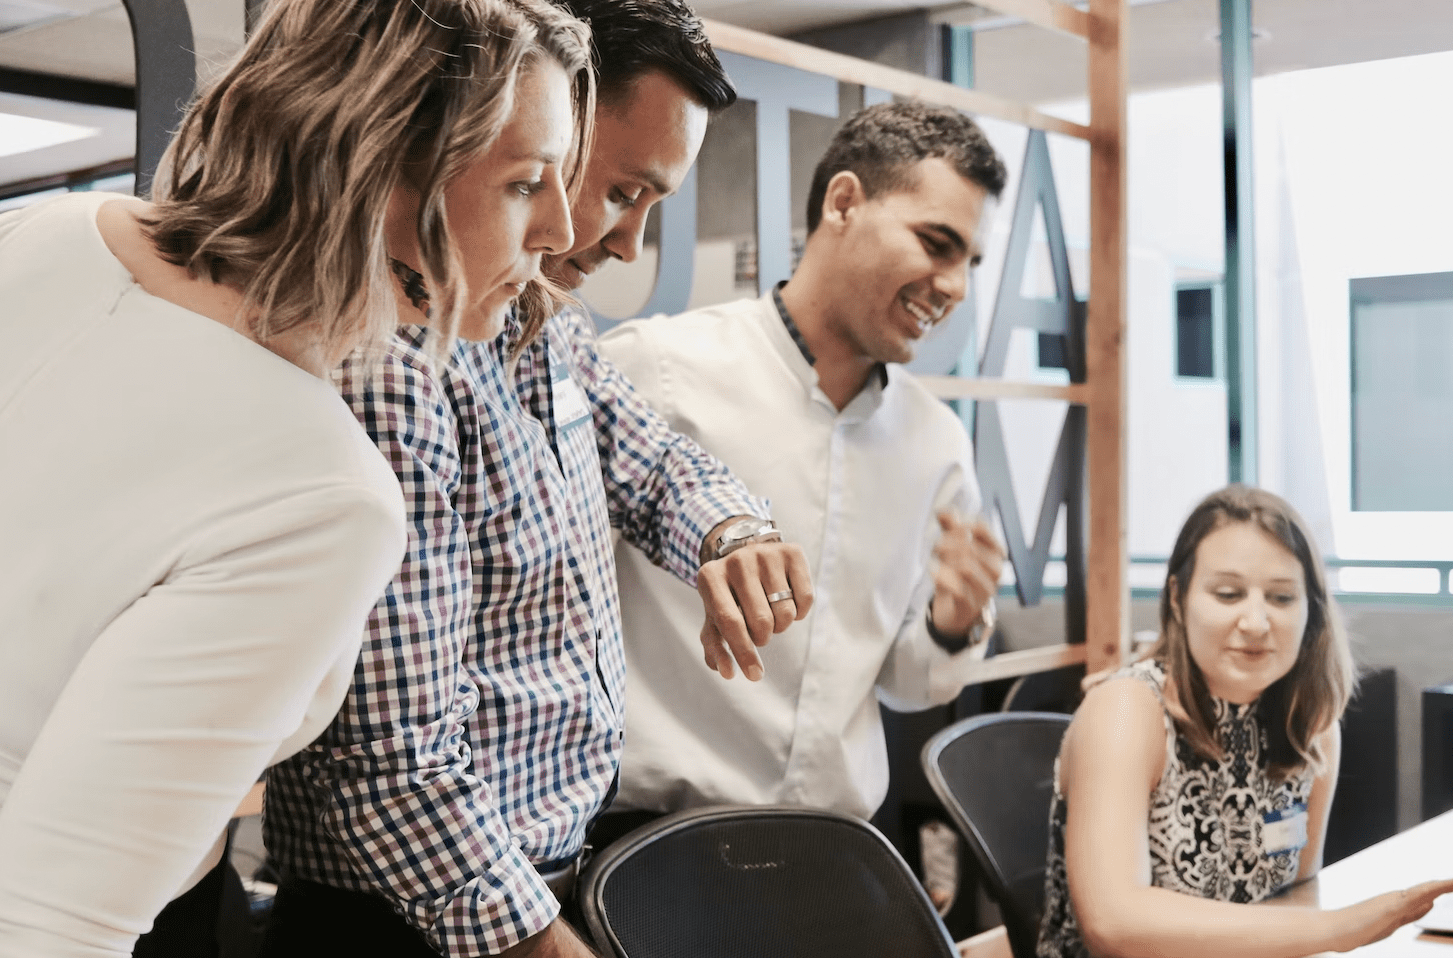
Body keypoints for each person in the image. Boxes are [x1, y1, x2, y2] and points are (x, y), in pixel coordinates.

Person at [0, 0, 591, 955]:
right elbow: (48, 925)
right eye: (529, 182)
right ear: (379, 162)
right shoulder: (322, 497)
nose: (561, 229)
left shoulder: (49, 234)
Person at [259, 4, 809, 957]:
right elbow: (394, 760)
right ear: (541, 123)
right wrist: (536, 938)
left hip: (537, 882)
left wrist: (733, 535)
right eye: (623, 191)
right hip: (416, 921)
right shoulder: (389, 365)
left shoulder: (543, 324)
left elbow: (657, 462)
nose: (624, 241)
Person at [595, 101, 1009, 828]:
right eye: (935, 243)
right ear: (843, 201)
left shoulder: (935, 441)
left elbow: (910, 683)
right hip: (650, 842)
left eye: (969, 263)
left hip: (833, 852)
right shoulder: (655, 371)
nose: (955, 288)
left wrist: (952, 623)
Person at [1037, 485, 1453, 958]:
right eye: (1228, 594)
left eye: (1282, 598)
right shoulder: (1127, 710)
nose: (1255, 622)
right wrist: (1343, 928)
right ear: (1179, 599)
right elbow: (1112, 922)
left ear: (1312, 612)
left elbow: (1294, 899)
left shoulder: (1311, 724)